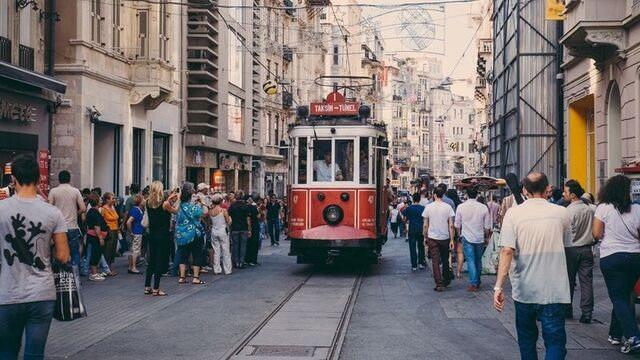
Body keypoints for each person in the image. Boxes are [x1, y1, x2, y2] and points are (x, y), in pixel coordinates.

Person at [494, 172, 571, 360]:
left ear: (524, 190)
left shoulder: (513, 214)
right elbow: (567, 245)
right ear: (548, 189)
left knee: (527, 341)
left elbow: (506, 251)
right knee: (555, 342)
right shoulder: (562, 213)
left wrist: (498, 286)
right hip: (554, 290)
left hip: (524, 290)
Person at [0, 155, 70, 360]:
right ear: (39, 178)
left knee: (6, 352)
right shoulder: (53, 213)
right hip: (42, 294)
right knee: (34, 354)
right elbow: (64, 256)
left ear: (13, 179)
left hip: (7, 293)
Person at [592, 175, 640, 353]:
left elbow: (596, 234)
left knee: (618, 297)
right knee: (624, 294)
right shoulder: (637, 209)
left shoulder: (603, 208)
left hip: (611, 257)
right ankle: (615, 333)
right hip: (635, 257)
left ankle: (634, 336)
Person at [562, 180, 595, 323]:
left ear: (573, 195)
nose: (563, 194)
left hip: (571, 249)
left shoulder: (568, 211)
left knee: (569, 281)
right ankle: (587, 313)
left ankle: (567, 309)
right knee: (586, 282)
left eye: (566, 192)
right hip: (587, 248)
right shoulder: (590, 209)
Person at [144, 182, 178, 296]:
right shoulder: (165, 204)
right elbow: (175, 211)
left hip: (152, 234)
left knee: (151, 260)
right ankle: (156, 288)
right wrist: (178, 200)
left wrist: (169, 198)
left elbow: (158, 204)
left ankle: (147, 286)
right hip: (163, 235)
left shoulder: (147, 202)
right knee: (160, 260)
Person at [455, 187, 492, 292]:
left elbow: (457, 224)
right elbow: (487, 226)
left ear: (466, 194)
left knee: (470, 260)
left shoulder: (461, 207)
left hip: (466, 236)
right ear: (477, 195)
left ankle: (474, 283)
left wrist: (459, 235)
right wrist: (486, 236)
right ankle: (477, 280)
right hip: (479, 237)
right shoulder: (483, 207)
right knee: (478, 260)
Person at [48, 170, 86, 268]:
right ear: (69, 179)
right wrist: (75, 214)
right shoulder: (75, 191)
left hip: (58, 228)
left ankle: (60, 275)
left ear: (59, 179)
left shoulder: (53, 191)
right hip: (72, 226)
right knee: (75, 253)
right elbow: (83, 208)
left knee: (58, 253)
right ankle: (75, 277)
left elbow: (49, 208)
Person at [422, 187, 455, 292]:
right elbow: (451, 225)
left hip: (432, 237)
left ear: (434, 194)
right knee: (445, 259)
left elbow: (425, 224)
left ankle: (439, 284)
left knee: (435, 261)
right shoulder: (448, 207)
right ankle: (446, 280)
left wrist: (425, 236)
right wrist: (452, 240)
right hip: (445, 237)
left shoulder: (428, 207)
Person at [175, 182, 206, 285]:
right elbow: (203, 213)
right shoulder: (194, 207)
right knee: (197, 254)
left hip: (181, 234)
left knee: (183, 255)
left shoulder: (178, 206)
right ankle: (196, 277)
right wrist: (201, 202)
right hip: (194, 233)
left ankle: (182, 277)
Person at [86, 193, 108, 282]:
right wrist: (100, 238)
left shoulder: (93, 211)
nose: (101, 201)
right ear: (96, 201)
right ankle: (93, 274)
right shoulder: (94, 212)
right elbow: (96, 227)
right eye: (100, 200)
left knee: (97, 254)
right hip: (95, 237)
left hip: (95, 236)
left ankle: (94, 273)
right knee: (95, 254)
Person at [209, 193, 232, 275]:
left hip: (214, 231)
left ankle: (217, 269)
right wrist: (230, 218)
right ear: (220, 201)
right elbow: (228, 222)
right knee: (225, 250)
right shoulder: (223, 210)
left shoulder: (210, 211)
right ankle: (227, 269)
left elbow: (209, 222)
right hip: (222, 231)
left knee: (216, 251)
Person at [402, 192, 426, 271]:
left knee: (412, 247)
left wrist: (405, 224)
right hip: (421, 229)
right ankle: (421, 263)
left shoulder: (409, 208)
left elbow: (404, 218)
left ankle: (414, 265)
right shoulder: (423, 208)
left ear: (413, 199)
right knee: (421, 246)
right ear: (419, 199)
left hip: (412, 229)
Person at [228, 192, 252, 268]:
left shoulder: (232, 206)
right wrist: (249, 229)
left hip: (235, 228)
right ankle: (241, 262)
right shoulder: (245, 206)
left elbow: (229, 217)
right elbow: (248, 219)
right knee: (243, 246)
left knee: (235, 246)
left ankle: (236, 262)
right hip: (244, 228)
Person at [100, 192, 119, 276]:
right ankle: (106, 269)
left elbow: (116, 217)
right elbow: (109, 218)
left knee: (113, 249)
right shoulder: (104, 208)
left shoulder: (113, 207)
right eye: (112, 198)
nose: (114, 200)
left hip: (115, 229)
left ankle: (110, 267)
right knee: (108, 249)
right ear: (107, 200)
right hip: (109, 230)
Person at [126, 195, 145, 275]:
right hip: (137, 232)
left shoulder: (138, 209)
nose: (144, 200)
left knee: (133, 249)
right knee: (135, 250)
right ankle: (133, 267)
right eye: (143, 199)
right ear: (140, 201)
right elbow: (128, 222)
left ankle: (131, 267)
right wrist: (131, 232)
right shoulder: (136, 210)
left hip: (138, 232)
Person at [246, 196, 261, 266]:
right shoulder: (254, 208)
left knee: (248, 244)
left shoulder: (246, 207)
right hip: (254, 227)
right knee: (254, 244)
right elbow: (258, 216)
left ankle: (247, 259)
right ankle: (253, 260)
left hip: (248, 228)